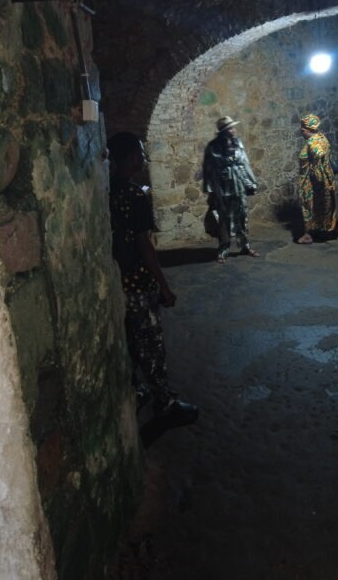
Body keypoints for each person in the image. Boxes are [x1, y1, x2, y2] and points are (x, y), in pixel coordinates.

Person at [106, 131, 197, 444]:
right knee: (151, 345)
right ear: (130, 158)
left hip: (117, 278)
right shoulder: (135, 196)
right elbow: (145, 246)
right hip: (138, 281)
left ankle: (137, 390)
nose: (143, 158)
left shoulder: (106, 192)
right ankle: (166, 403)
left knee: (130, 340)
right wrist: (164, 285)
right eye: (140, 153)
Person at [202, 115, 260, 263]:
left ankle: (245, 245)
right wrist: (211, 191)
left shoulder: (238, 143)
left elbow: (245, 163)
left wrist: (251, 183)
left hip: (239, 184)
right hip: (222, 187)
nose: (234, 130)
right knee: (224, 219)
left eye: (234, 127)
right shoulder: (213, 147)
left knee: (242, 216)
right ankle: (223, 249)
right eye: (231, 128)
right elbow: (208, 170)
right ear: (224, 131)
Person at [295, 113, 337, 244]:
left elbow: (319, 154)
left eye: (303, 130)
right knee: (324, 205)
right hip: (325, 178)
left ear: (306, 130)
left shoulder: (313, 143)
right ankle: (325, 231)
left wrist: (317, 175)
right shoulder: (322, 138)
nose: (302, 132)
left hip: (312, 181)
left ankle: (308, 235)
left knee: (309, 206)